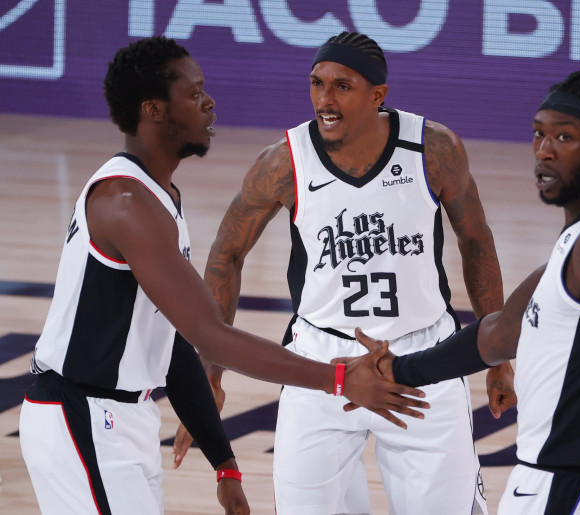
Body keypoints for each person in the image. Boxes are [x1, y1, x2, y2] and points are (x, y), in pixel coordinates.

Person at [17, 36, 428, 515]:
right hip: (81, 416)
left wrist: (224, 463)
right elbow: (210, 336)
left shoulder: (155, 194)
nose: (209, 103)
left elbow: (170, 342)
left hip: (121, 417)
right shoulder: (127, 205)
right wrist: (338, 379)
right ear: (154, 110)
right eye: (194, 94)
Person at [173, 31, 514, 515]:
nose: (324, 99)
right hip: (320, 364)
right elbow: (226, 254)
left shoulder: (432, 149)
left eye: (341, 86)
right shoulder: (282, 163)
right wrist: (211, 369)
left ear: (378, 96)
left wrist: (497, 356)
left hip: (423, 360)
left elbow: (476, 241)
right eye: (316, 83)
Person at [356, 70, 580, 514]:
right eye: (539, 134)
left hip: (578, 493)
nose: (544, 151)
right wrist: (396, 369)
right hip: (573, 486)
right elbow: (497, 335)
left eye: (564, 137)